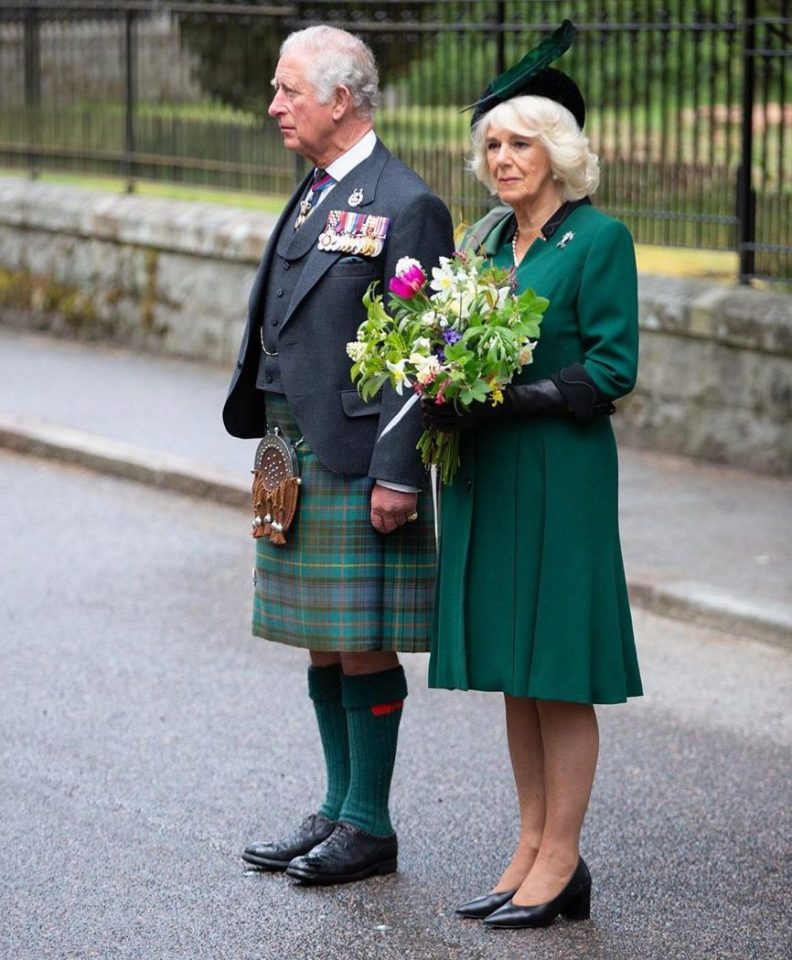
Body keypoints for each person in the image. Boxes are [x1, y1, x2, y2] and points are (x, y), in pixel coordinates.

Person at [422, 21, 642, 929]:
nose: (501, 158)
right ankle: (528, 845)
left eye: (518, 143)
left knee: (560, 668)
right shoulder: (480, 237)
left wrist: (518, 397)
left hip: (561, 471)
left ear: (558, 152)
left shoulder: (599, 241)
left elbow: (612, 368)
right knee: (516, 667)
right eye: (492, 145)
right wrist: (435, 376)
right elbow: (447, 336)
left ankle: (563, 858)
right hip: (488, 474)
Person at [222, 25, 453, 885]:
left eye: (289, 91)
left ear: (340, 100)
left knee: (360, 638)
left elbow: (421, 353)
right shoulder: (318, 190)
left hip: (358, 453)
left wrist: (398, 470)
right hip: (291, 443)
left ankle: (370, 823)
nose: (275, 105)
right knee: (321, 637)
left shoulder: (409, 202)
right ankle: (334, 805)